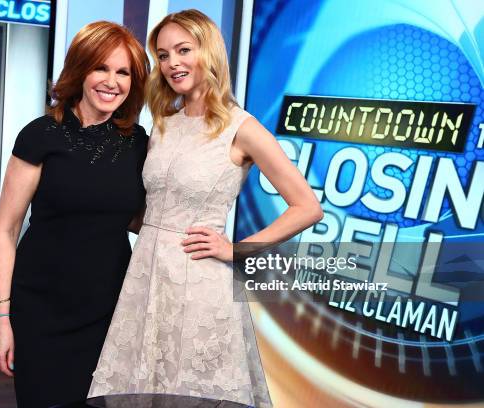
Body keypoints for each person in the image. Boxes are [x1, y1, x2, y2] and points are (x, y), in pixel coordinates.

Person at [87, 9, 323, 407]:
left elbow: (307, 207)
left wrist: (236, 251)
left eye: (183, 50)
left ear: (209, 51)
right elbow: (152, 207)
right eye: (163, 55)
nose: (172, 63)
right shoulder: (163, 123)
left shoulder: (241, 127)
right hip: (145, 277)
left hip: (198, 281)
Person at [0, 21, 149, 407]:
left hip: (108, 311)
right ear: (80, 70)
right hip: (40, 308)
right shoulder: (40, 134)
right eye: (101, 68)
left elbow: (137, 220)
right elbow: (5, 232)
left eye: (123, 72)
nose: (112, 81)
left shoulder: (139, 144)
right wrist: (0, 321)